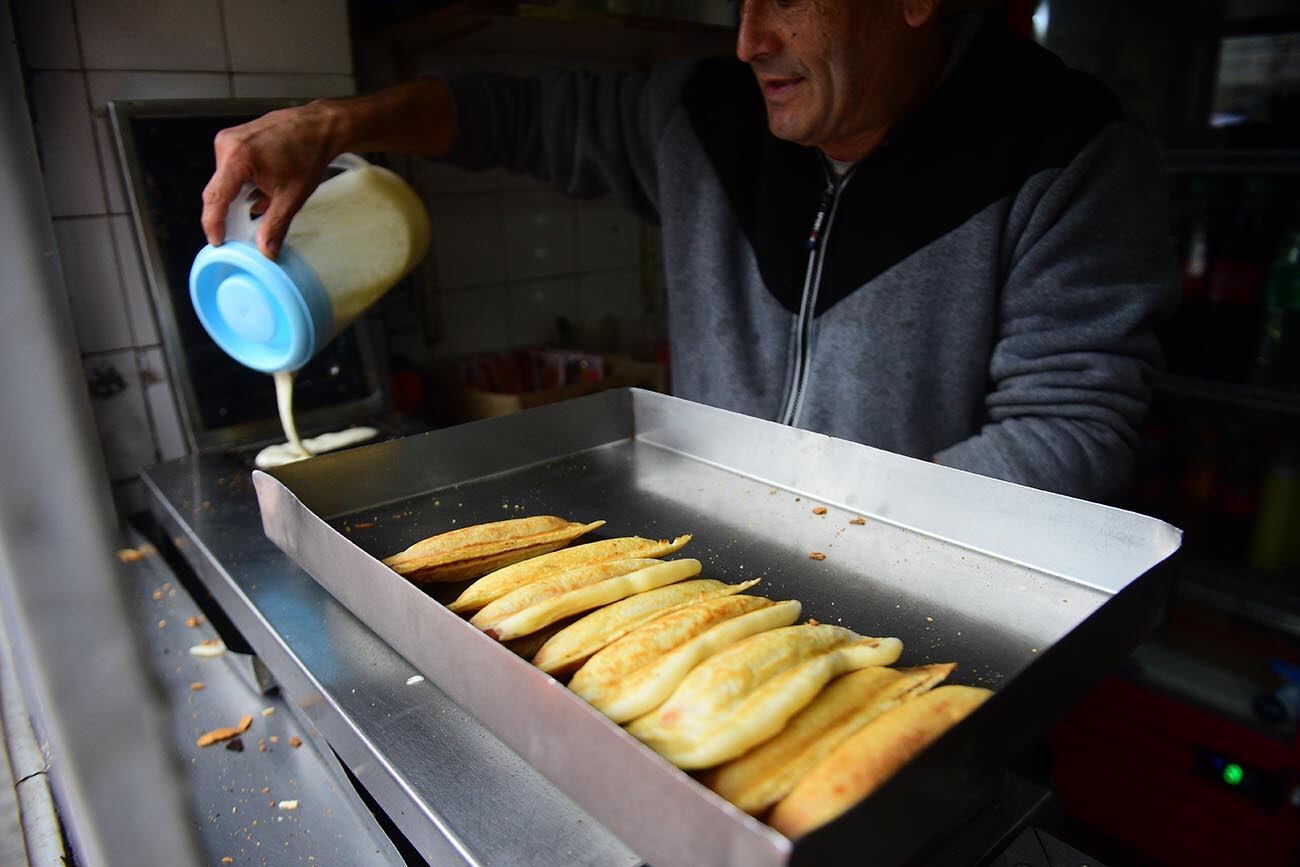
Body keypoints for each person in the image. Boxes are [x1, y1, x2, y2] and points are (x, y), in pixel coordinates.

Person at [201, 0, 1178, 501]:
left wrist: (825, 528)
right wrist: (335, 123)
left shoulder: (1064, 155)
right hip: (725, 589)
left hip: (925, 657)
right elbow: (511, 113)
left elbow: (1071, 434)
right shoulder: (705, 116)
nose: (749, 38)